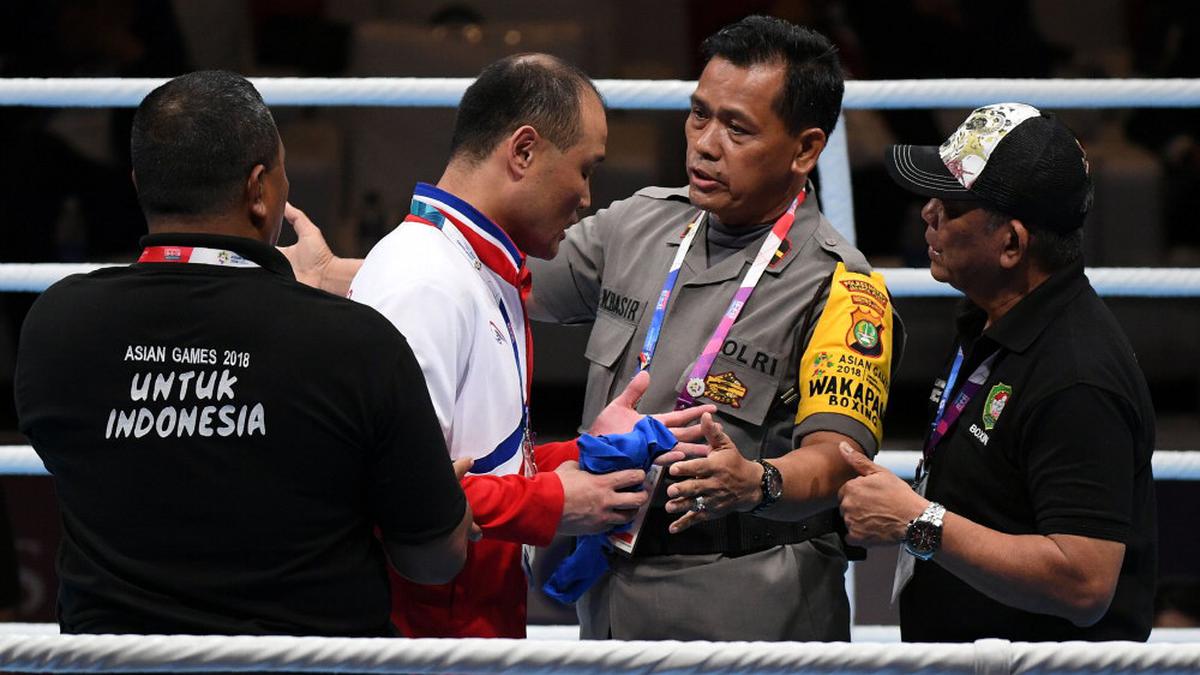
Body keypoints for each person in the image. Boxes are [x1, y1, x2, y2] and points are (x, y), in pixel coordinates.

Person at [14, 70, 474, 636]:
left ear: (140, 185)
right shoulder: (355, 342)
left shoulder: (55, 326)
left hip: (116, 668)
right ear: (259, 189)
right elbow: (434, 559)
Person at [288, 53, 714, 638]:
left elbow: (475, 458)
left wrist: (587, 454)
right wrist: (550, 504)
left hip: (466, 633)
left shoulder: (477, 268)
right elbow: (391, 498)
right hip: (422, 644)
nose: (587, 197)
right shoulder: (424, 280)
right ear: (523, 151)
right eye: (584, 169)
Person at [524, 16, 903, 641]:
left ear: (805, 149)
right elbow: (489, 273)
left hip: (750, 607)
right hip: (610, 592)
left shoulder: (843, 288)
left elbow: (840, 460)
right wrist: (348, 275)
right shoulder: (639, 224)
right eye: (699, 115)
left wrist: (759, 481)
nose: (704, 143)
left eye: (737, 127)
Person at [836, 102, 1157, 642]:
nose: (928, 213)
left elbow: (1084, 582)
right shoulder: (996, 324)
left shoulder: (1077, 376)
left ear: (1011, 243)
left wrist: (919, 523)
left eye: (952, 204)